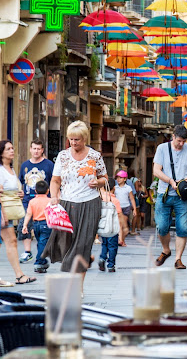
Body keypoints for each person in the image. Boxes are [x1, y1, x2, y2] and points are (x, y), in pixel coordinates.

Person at [43, 121, 108, 292]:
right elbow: (55, 180)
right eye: (71, 139)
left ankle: (77, 287)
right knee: (67, 245)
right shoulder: (63, 156)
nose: (73, 143)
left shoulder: (95, 156)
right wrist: (54, 197)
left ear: (84, 138)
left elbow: (105, 178)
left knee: (83, 245)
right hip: (67, 203)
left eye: (77, 139)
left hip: (90, 204)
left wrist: (98, 182)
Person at [153, 125, 187, 270]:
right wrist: (170, 181)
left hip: (183, 195)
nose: (181, 144)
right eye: (179, 141)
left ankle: (178, 259)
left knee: (183, 227)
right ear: (173, 136)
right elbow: (156, 170)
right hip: (164, 193)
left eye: (184, 141)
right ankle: (166, 250)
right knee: (161, 226)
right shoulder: (162, 149)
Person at [0, 140, 36, 285]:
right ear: (1, 152)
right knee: (11, 241)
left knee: (11, 241)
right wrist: (3, 214)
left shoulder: (11, 169)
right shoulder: (1, 170)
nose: (12, 151)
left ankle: (19, 275)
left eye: (13, 148)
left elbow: (9, 189)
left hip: (8, 210)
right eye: (8, 149)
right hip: (3, 211)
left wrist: (19, 193)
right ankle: (19, 275)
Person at [17, 139, 54, 264]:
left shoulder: (49, 165)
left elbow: (54, 182)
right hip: (28, 201)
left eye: (39, 149)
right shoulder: (25, 165)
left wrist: (54, 197)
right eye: (34, 148)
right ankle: (28, 252)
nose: (36, 151)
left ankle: (41, 250)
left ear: (42, 150)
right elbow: (21, 181)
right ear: (30, 149)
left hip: (44, 202)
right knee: (24, 225)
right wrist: (20, 192)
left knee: (42, 228)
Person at [20, 181, 51, 273]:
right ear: (48, 191)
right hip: (46, 224)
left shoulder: (32, 201)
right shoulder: (50, 201)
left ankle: (43, 261)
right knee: (43, 243)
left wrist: (25, 225)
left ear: (35, 191)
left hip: (36, 225)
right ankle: (39, 262)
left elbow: (29, 214)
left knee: (40, 243)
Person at [98, 178, 123, 273]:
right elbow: (119, 217)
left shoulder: (100, 198)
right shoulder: (115, 200)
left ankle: (102, 258)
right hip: (112, 228)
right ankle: (111, 265)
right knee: (112, 246)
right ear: (114, 188)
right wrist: (120, 234)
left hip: (103, 227)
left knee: (104, 244)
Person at [114, 170, 138, 237]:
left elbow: (132, 198)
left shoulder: (128, 188)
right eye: (117, 178)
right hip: (118, 208)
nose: (118, 179)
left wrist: (135, 209)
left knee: (123, 223)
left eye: (120, 178)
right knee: (120, 224)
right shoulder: (115, 188)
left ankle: (122, 239)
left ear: (125, 179)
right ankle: (121, 239)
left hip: (126, 207)